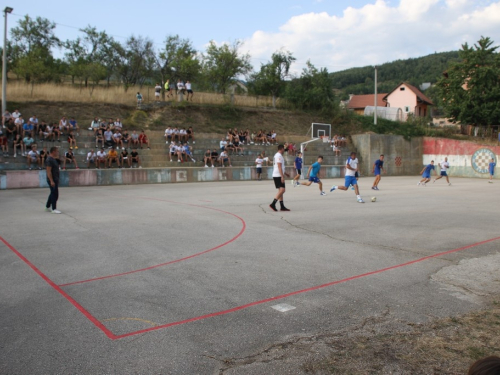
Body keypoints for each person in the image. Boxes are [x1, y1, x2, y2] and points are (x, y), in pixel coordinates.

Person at [269, 145, 290, 211]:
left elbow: (281, 167)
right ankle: (273, 203)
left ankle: (282, 206)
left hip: (278, 175)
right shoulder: (278, 156)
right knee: (282, 190)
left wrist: (285, 173)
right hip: (278, 175)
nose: (284, 150)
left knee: (280, 191)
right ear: (281, 149)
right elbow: (279, 166)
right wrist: (282, 176)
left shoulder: (278, 155)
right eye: (284, 148)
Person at [45, 146, 62, 214]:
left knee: (53, 192)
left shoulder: (53, 159)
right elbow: (48, 171)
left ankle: (47, 206)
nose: (58, 152)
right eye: (57, 151)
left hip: (55, 178)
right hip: (52, 179)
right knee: (54, 194)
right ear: (53, 152)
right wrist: (51, 180)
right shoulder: (49, 159)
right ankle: (54, 208)